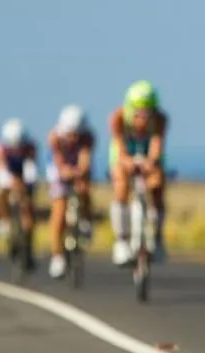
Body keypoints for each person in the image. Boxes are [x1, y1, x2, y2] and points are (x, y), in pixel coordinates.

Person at [108, 80, 169, 266]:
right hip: (123, 154)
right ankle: (122, 240)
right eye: (138, 112)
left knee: (157, 185)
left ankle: (157, 238)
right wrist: (126, 162)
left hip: (148, 156)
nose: (142, 118)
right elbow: (119, 147)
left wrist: (151, 162)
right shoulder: (118, 118)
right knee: (121, 186)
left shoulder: (161, 120)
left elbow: (157, 144)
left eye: (147, 112)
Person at [46, 105, 95, 278]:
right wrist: (65, 171)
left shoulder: (88, 136)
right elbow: (58, 162)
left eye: (76, 134)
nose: (73, 138)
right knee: (59, 211)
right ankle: (57, 256)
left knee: (84, 189)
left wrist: (81, 171)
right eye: (70, 134)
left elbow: (85, 157)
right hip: (58, 169)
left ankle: (86, 220)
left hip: (77, 166)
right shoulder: (55, 137)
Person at [0, 118, 39, 270]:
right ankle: (4, 220)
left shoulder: (31, 147)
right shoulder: (0, 148)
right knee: (0, 193)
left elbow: (31, 169)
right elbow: (1, 169)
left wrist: (24, 186)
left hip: (24, 174)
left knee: (28, 208)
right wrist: (12, 183)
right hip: (8, 174)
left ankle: (28, 245)